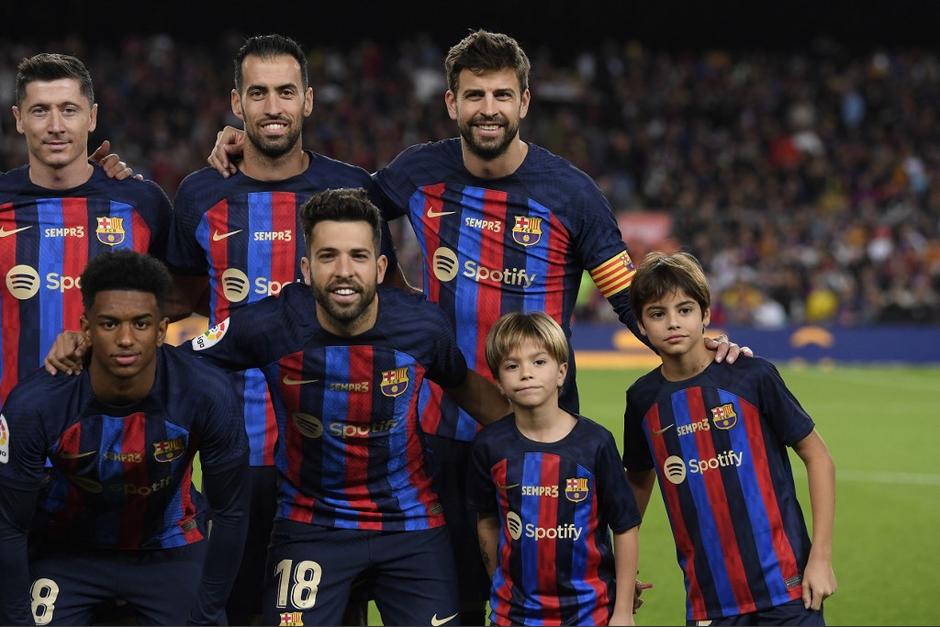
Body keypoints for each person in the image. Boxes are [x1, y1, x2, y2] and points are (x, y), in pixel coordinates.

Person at [207, 31, 749, 622]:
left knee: (550, 600)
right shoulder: (418, 171)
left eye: (500, 95)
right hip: (439, 432)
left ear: (524, 102)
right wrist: (252, 152)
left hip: (540, 438)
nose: (487, 108)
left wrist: (695, 344)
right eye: (473, 95)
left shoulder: (572, 194)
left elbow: (628, 296)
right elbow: (337, 204)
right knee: (461, 600)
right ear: (451, 103)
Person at [177, 188, 507, 626]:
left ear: (381, 266)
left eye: (358, 256)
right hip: (309, 526)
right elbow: (178, 369)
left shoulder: (421, 328)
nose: (344, 272)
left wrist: (549, 441)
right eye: (328, 256)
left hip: (411, 527)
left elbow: (467, 387)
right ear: (306, 270)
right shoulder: (269, 326)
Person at [166, 34, 400, 624]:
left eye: (286, 92)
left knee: (334, 614)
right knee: (234, 608)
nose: (273, 106)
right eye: (259, 93)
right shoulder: (200, 192)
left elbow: (389, 307)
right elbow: (180, 298)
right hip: (233, 451)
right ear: (236, 104)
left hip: (338, 452)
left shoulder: (351, 191)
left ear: (309, 101)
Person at [0, 250, 249, 625]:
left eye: (142, 324)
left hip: (169, 548)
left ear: (162, 329)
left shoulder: (205, 393)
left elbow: (231, 512)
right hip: (67, 552)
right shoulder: (35, 404)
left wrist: (208, 612)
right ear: (85, 328)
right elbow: (8, 524)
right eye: (110, 324)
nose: (127, 339)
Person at [622, 252, 836, 626]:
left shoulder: (751, 376)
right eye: (657, 314)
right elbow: (638, 482)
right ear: (641, 325)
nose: (673, 322)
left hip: (788, 591)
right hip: (709, 602)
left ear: (706, 314)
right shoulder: (642, 399)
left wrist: (820, 558)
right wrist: (625, 573)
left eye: (685, 310)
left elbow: (818, 457)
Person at [0, 53, 173, 408]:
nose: (55, 126)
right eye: (39, 111)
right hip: (12, 426)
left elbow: (179, 300)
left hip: (117, 426)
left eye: (68, 109)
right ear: (18, 120)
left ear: (91, 117)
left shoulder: (142, 203)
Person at [467, 311, 641, 626]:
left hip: (591, 615)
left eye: (538, 362)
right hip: (515, 617)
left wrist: (623, 611)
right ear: (499, 383)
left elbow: (625, 526)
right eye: (511, 365)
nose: (525, 373)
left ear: (561, 373)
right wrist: (500, 584)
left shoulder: (596, 443)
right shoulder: (489, 446)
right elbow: (487, 521)